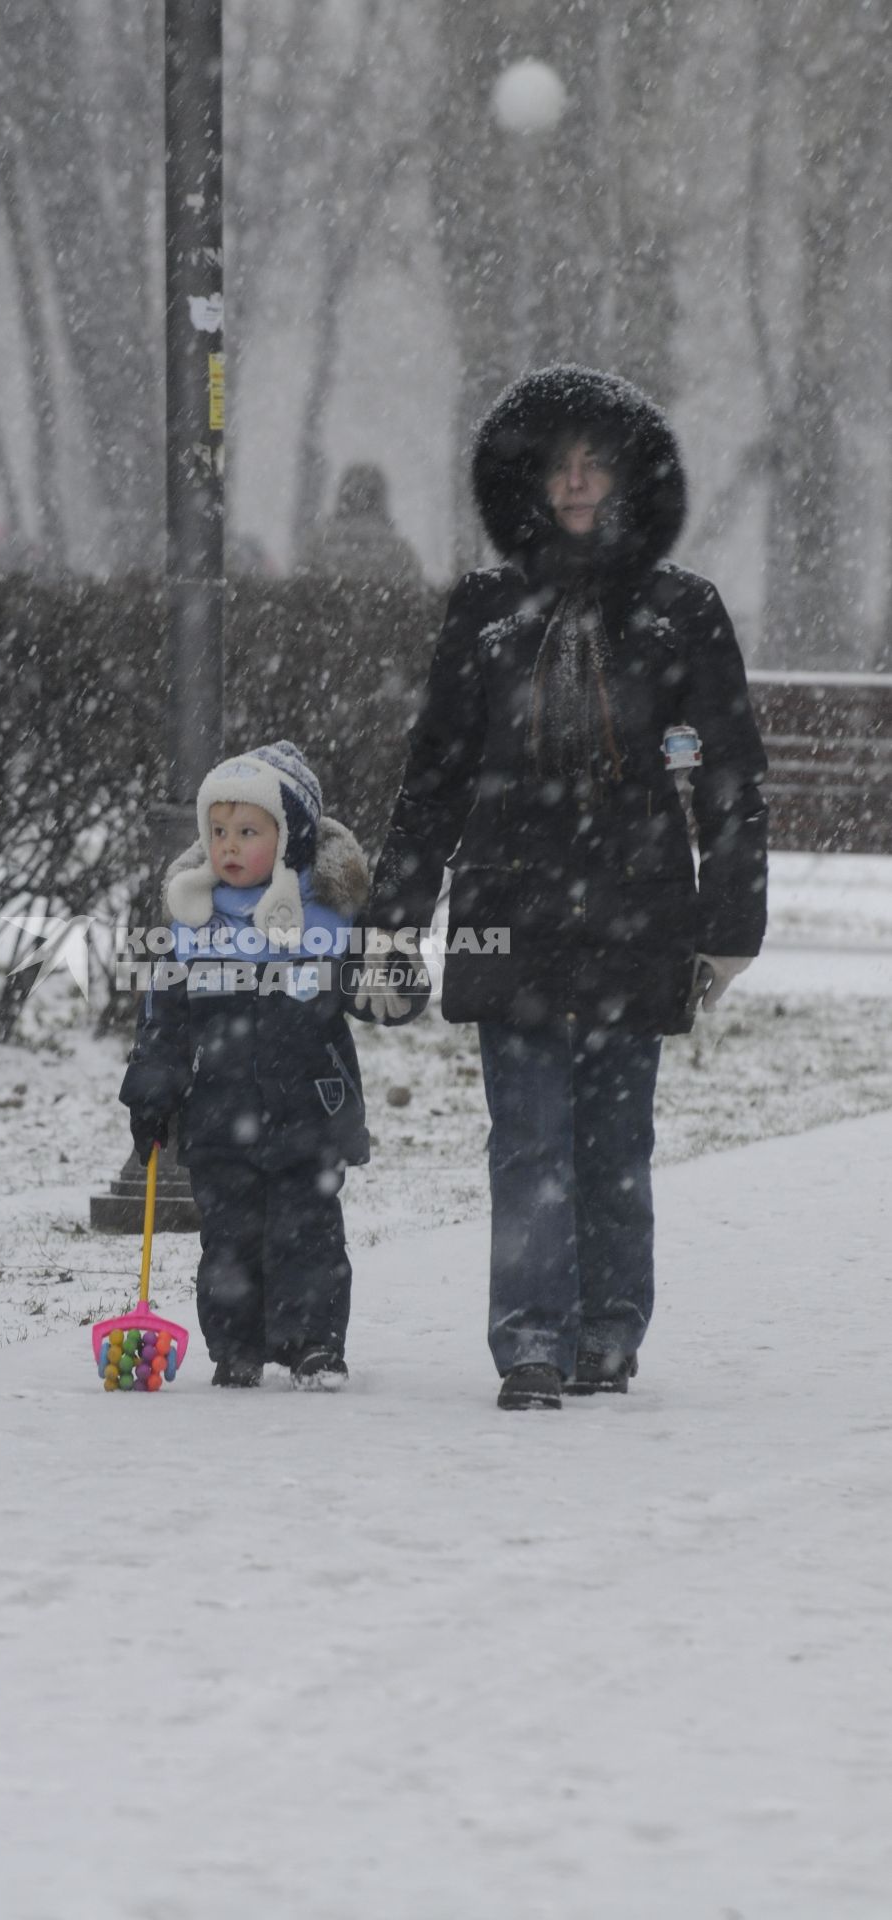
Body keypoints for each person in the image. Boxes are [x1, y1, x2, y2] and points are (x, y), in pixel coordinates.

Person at [363, 364, 769, 1410]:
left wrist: (729, 922)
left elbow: (729, 773)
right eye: (559, 465)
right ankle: (532, 1340)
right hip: (512, 907)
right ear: (532, 482)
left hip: (639, 907)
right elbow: (440, 770)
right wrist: (396, 920)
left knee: (615, 1138)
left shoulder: (683, 612)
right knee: (530, 1136)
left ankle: (607, 1331)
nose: (577, 481)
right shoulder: (490, 611)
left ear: (630, 478)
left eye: (595, 463)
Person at [119, 741, 371, 1390]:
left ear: (288, 839)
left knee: (306, 1233)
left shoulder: (325, 923)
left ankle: (313, 1343)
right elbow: (164, 1022)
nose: (229, 846)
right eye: (219, 831)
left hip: (308, 1110)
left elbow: (369, 995)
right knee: (227, 1239)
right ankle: (237, 1346)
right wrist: (152, 1095)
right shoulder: (192, 924)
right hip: (217, 1114)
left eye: (249, 832)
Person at [298, 462, 423, 586]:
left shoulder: (317, 546)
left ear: (342, 495)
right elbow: (415, 594)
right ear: (381, 498)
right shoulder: (401, 553)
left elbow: (298, 589)